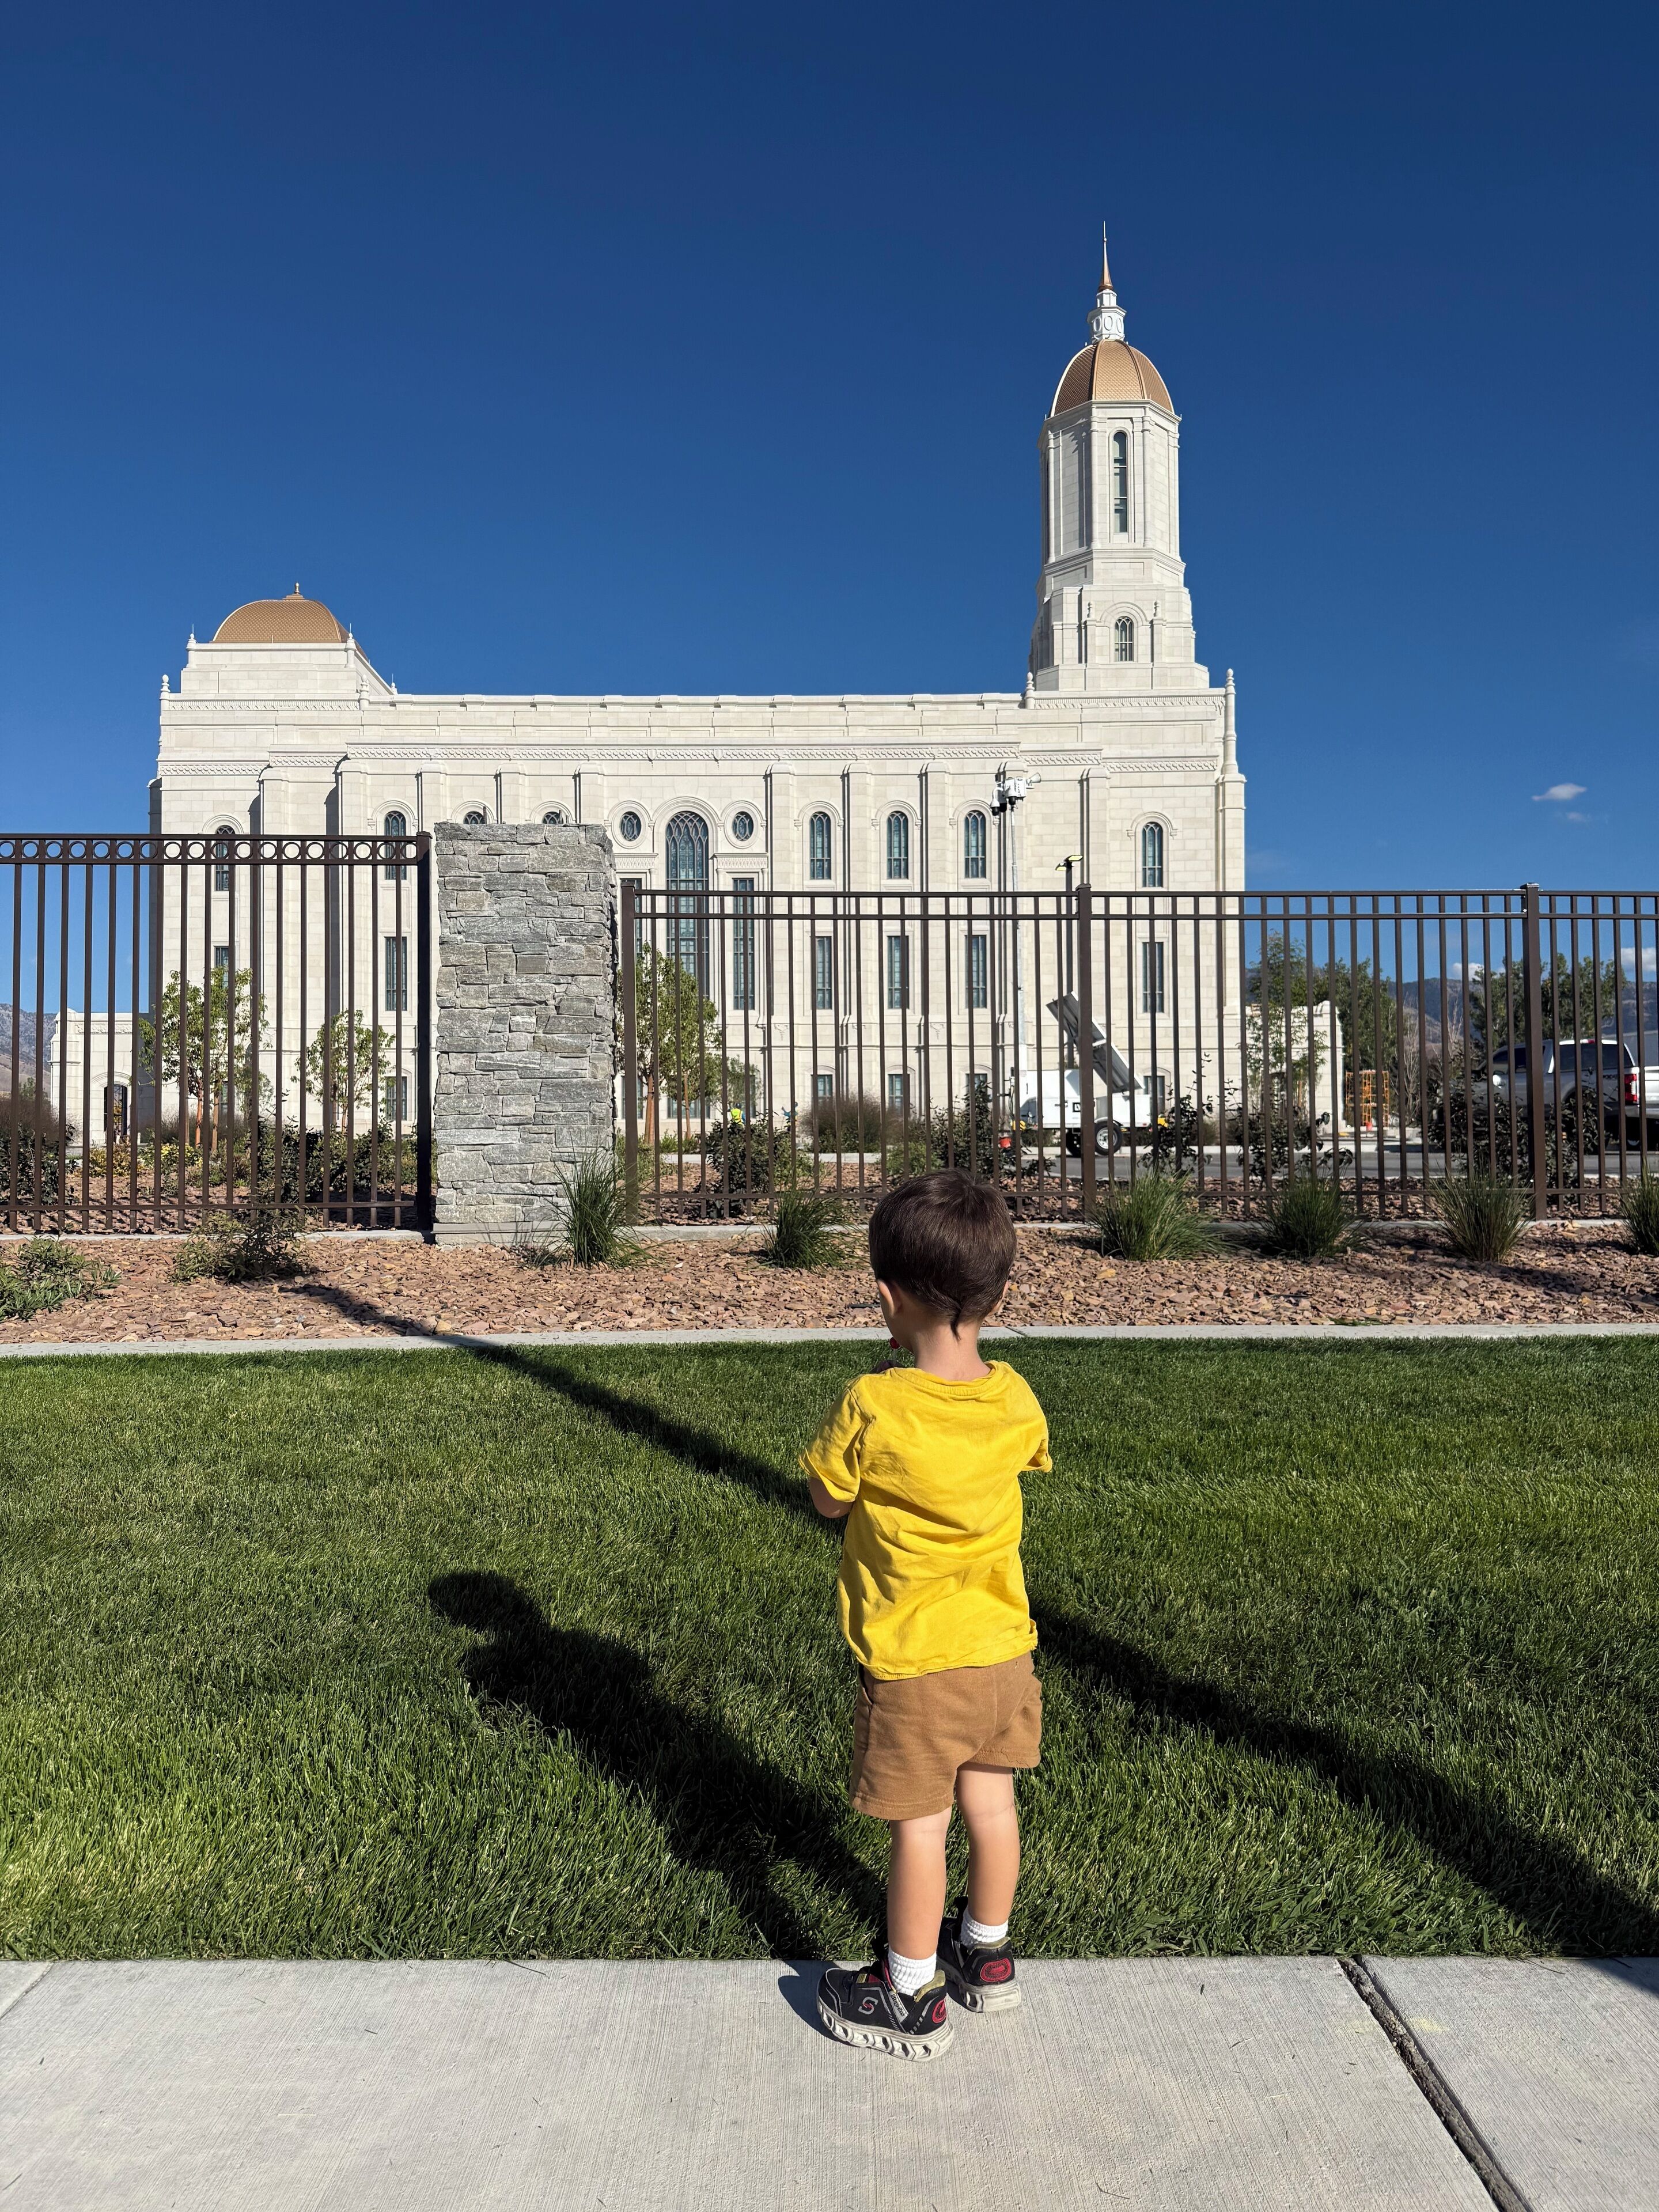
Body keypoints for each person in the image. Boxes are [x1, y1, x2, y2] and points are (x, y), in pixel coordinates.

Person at [801, 1169, 1048, 2062]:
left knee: (920, 1828)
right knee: (992, 1805)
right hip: (1005, 1655)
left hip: (917, 1665)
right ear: (998, 1296)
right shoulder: (1015, 1397)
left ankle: (907, 1992)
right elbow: (1024, 1459)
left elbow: (828, 1500)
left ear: (886, 1298)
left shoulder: (875, 1404)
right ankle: (986, 1954)